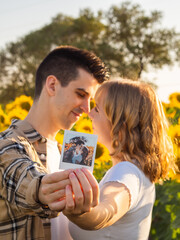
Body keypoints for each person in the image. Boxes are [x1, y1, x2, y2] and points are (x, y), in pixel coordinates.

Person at [0, 45, 109, 240]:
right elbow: (26, 179)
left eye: (90, 100)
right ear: (52, 86)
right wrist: (44, 190)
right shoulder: (8, 144)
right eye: (81, 94)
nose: (86, 108)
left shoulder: (66, 149)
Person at [63, 79, 174, 240]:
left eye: (97, 109)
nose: (90, 113)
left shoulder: (126, 171)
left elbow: (108, 209)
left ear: (120, 126)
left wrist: (81, 215)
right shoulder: (135, 168)